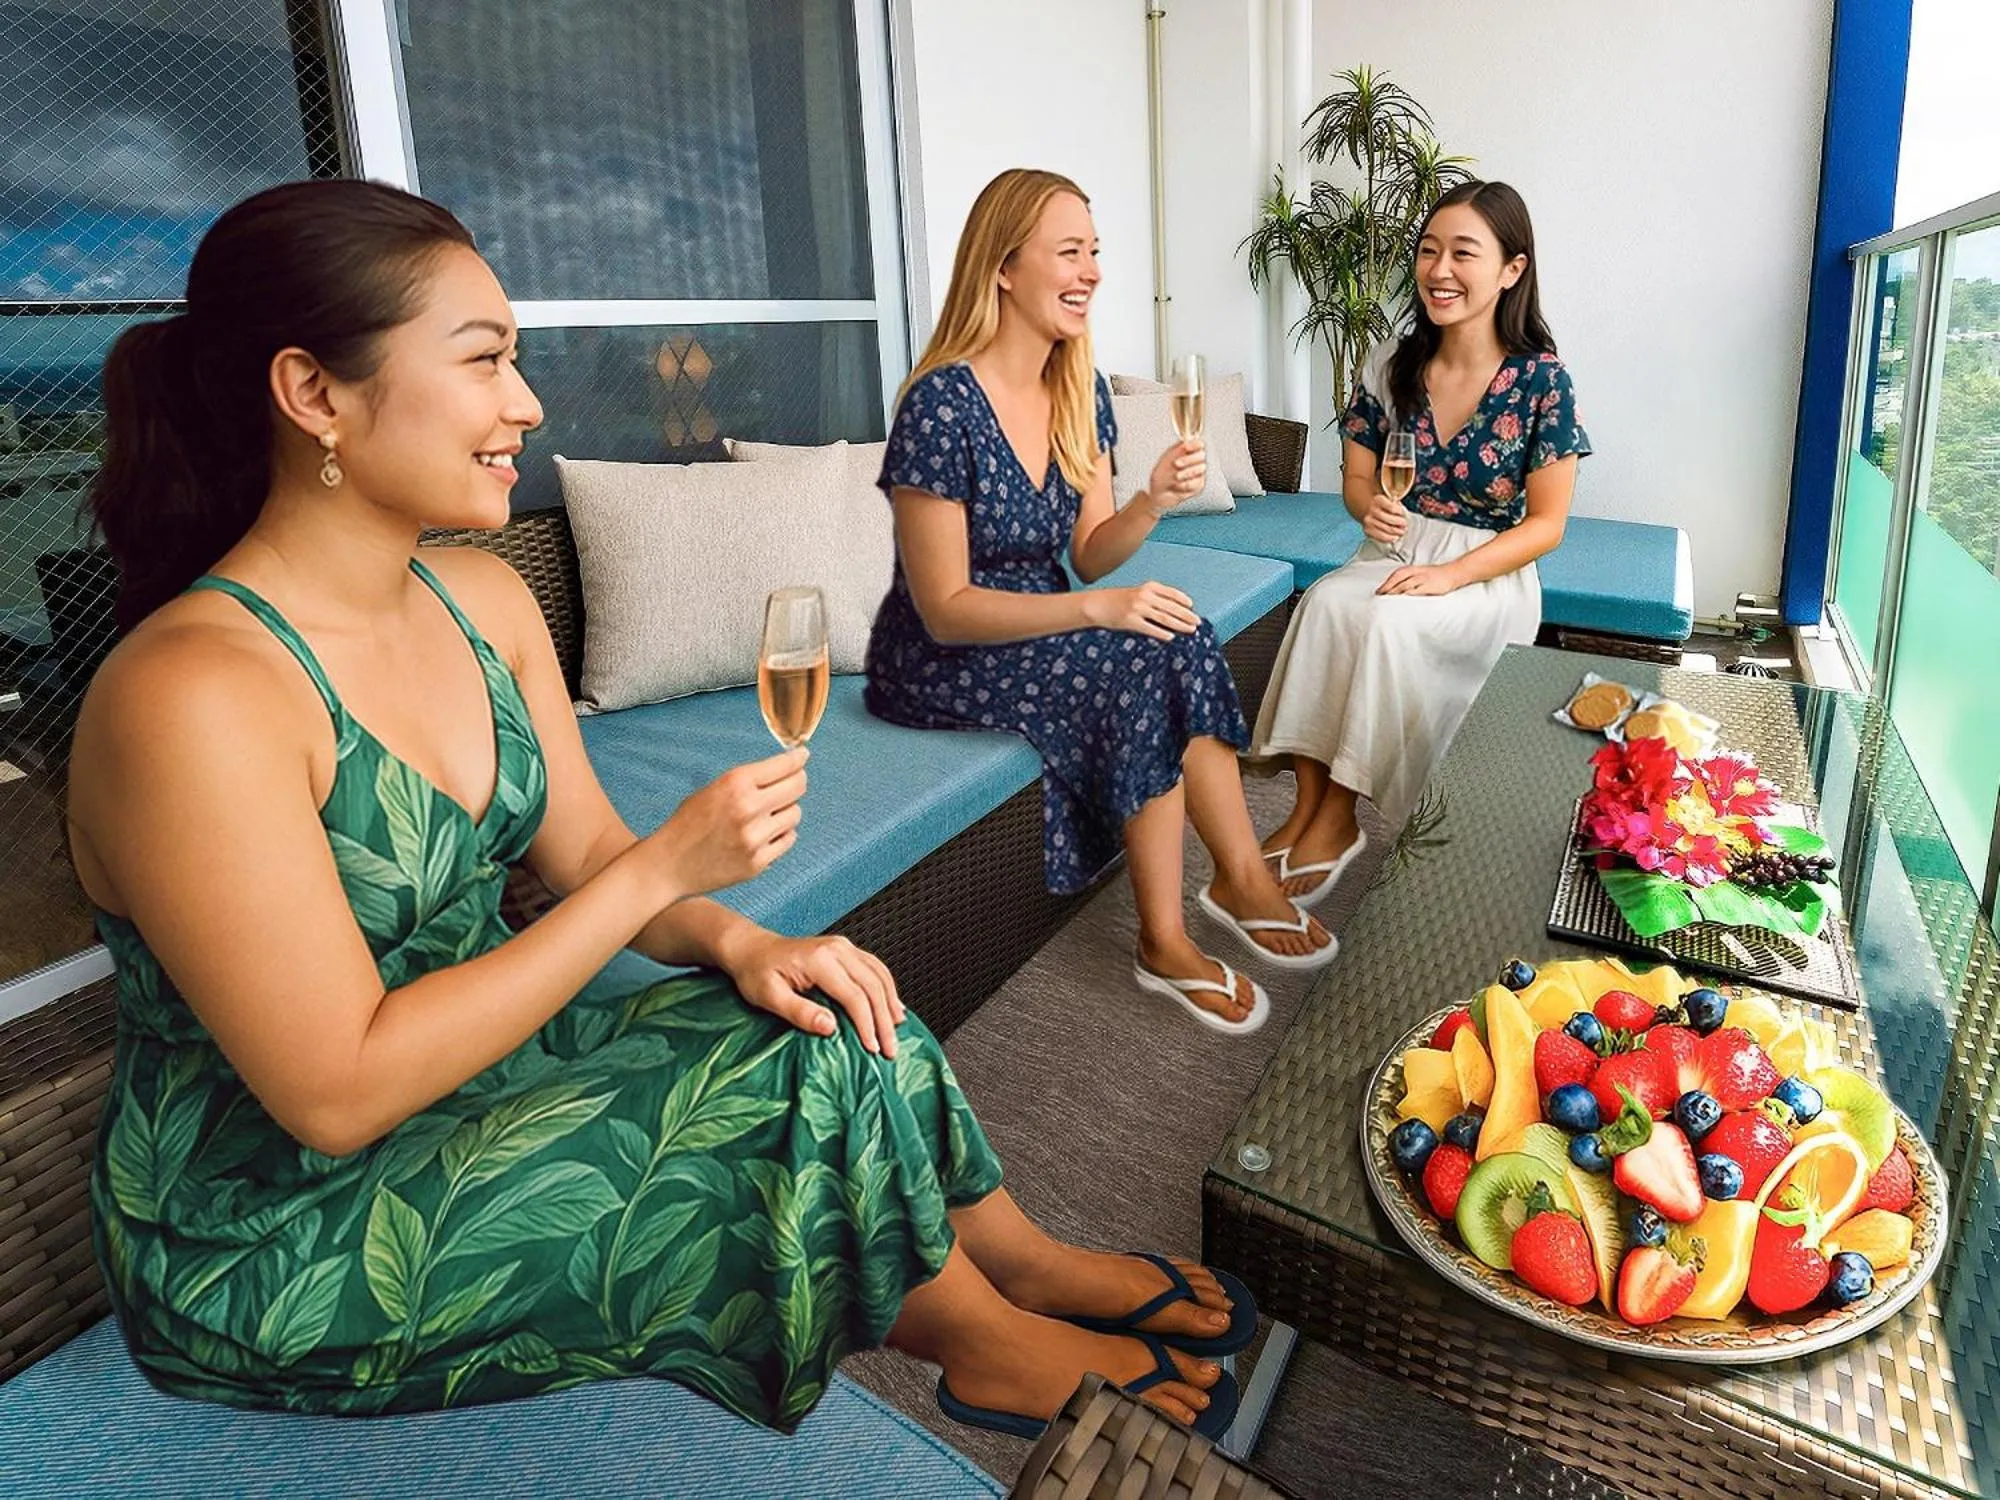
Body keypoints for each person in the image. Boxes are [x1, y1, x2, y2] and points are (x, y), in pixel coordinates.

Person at [66, 179, 1261, 1442]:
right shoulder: (190, 693)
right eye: (483, 363)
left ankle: (1020, 1264)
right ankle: (985, 1337)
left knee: (844, 1009)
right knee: (777, 1105)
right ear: (312, 392)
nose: (524, 403)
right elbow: (336, 1091)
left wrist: (750, 940)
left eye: (514, 359)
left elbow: (582, 849)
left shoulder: (480, 599)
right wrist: (661, 877)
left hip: (478, 1077)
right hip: (280, 1222)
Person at [866, 169, 1336, 1036]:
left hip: (1038, 619)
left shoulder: (1077, 391)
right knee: (1134, 656)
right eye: (1069, 252)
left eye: (1096, 253)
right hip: (938, 658)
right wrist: (1098, 612)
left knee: (1178, 624)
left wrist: (1149, 501)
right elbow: (945, 608)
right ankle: (1162, 940)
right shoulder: (939, 404)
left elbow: (1088, 555)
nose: (1091, 272)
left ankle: (1239, 878)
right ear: (1003, 267)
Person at [1250, 181, 1590, 902]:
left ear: (1512, 270)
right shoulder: (1392, 364)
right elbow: (1358, 482)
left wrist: (1453, 574)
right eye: (1428, 250)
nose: (1438, 269)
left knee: (1379, 621)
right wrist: (1370, 509)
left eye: (1463, 252)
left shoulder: (1542, 383)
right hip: (1396, 551)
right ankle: (1308, 806)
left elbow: (1546, 525)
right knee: (1323, 606)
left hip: (1485, 575)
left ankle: (1342, 813)